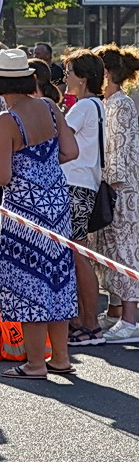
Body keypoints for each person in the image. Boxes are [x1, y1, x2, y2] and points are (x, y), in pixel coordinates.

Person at [0, 47, 79, 376]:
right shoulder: (51, 107)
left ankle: (36, 362)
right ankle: (61, 358)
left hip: (23, 212)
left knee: (29, 281)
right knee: (57, 278)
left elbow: (2, 176)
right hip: (56, 205)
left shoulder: (5, 120)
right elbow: (70, 151)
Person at [59, 52, 107, 345]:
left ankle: (90, 323)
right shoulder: (96, 106)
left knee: (77, 254)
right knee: (78, 253)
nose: (65, 79)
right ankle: (83, 319)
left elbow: (59, 136)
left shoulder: (83, 107)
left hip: (75, 183)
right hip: (85, 183)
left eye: (69, 72)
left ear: (83, 77)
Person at [95, 45, 139, 340]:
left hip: (122, 189)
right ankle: (114, 310)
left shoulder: (121, 103)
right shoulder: (109, 102)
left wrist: (110, 184)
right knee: (109, 248)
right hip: (113, 186)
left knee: (125, 250)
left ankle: (131, 319)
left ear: (106, 73)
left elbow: (118, 149)